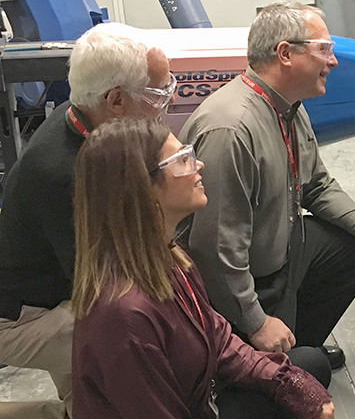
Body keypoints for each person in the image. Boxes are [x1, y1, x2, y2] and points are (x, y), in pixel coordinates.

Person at [70, 118, 335, 419]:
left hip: (200, 402)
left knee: (310, 366)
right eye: (181, 160)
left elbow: (217, 338)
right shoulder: (125, 317)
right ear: (143, 188)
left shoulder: (170, 257)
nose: (198, 165)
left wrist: (287, 383)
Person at [179, 1, 355, 371]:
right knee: (307, 370)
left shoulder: (288, 107)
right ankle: (271, 351)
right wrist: (255, 322)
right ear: (285, 54)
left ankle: (296, 346)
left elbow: (316, 184)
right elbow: (215, 249)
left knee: (353, 245)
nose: (333, 61)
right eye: (323, 49)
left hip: (280, 252)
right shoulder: (231, 130)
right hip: (232, 283)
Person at [0, 23, 176, 419]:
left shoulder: (81, 116)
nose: (168, 102)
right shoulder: (63, 174)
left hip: (59, 288)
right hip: (20, 317)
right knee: (135, 345)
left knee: (89, 394)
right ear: (116, 100)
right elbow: (107, 287)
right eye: (158, 94)